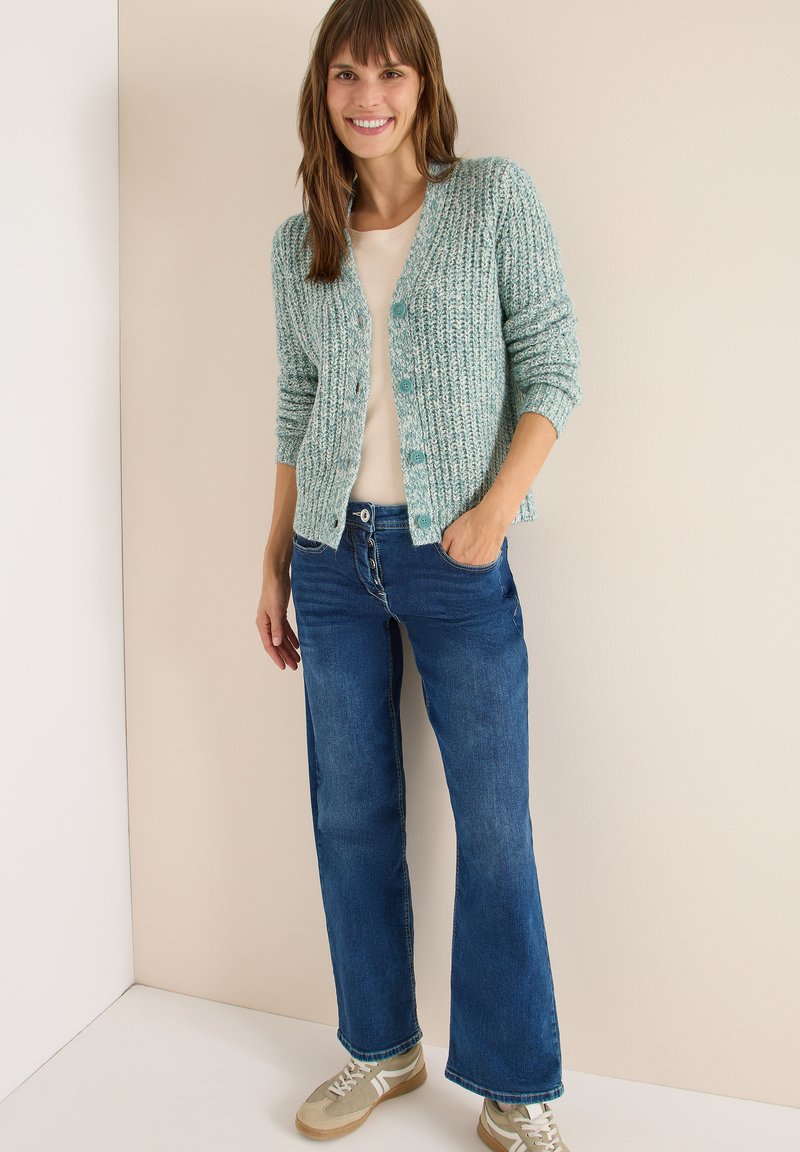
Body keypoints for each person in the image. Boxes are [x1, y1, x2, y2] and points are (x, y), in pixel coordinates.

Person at [256, 1, 581, 1148]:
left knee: (493, 826)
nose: (368, 96)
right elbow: (297, 407)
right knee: (348, 815)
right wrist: (272, 562)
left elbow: (552, 366)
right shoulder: (299, 240)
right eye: (346, 74)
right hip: (329, 563)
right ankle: (378, 1048)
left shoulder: (490, 199)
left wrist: (491, 510)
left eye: (390, 73)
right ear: (323, 89)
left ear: (423, 84)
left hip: (456, 558)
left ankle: (515, 1084)